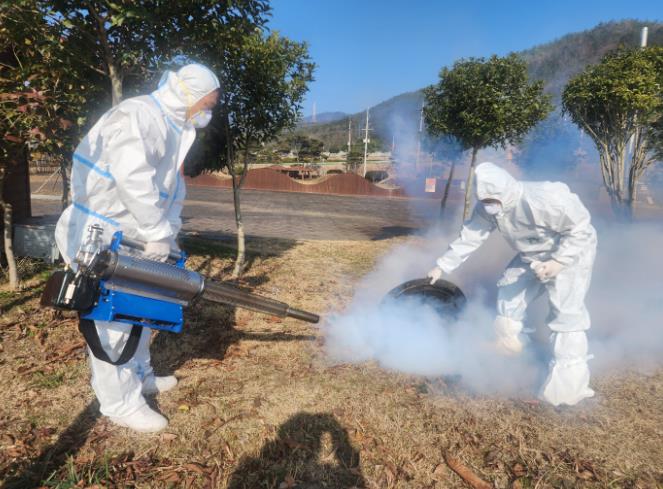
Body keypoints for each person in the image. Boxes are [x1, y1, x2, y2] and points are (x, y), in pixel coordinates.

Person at [55, 64, 221, 432]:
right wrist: (154, 229)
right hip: (100, 232)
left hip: (136, 234)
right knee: (112, 319)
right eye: (205, 104)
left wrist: (166, 233)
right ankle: (119, 403)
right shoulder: (139, 115)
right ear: (186, 94)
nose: (207, 113)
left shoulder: (175, 126)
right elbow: (131, 177)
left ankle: (140, 374)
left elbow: (170, 190)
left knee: (144, 309)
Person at [428, 162, 597, 406]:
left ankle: (569, 388)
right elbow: (471, 236)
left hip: (571, 254)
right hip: (532, 254)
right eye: (484, 199)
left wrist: (559, 262)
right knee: (510, 288)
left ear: (506, 191)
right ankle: (510, 343)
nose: (489, 205)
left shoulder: (545, 198)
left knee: (566, 313)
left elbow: (581, 229)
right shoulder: (488, 208)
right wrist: (442, 265)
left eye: (492, 199)